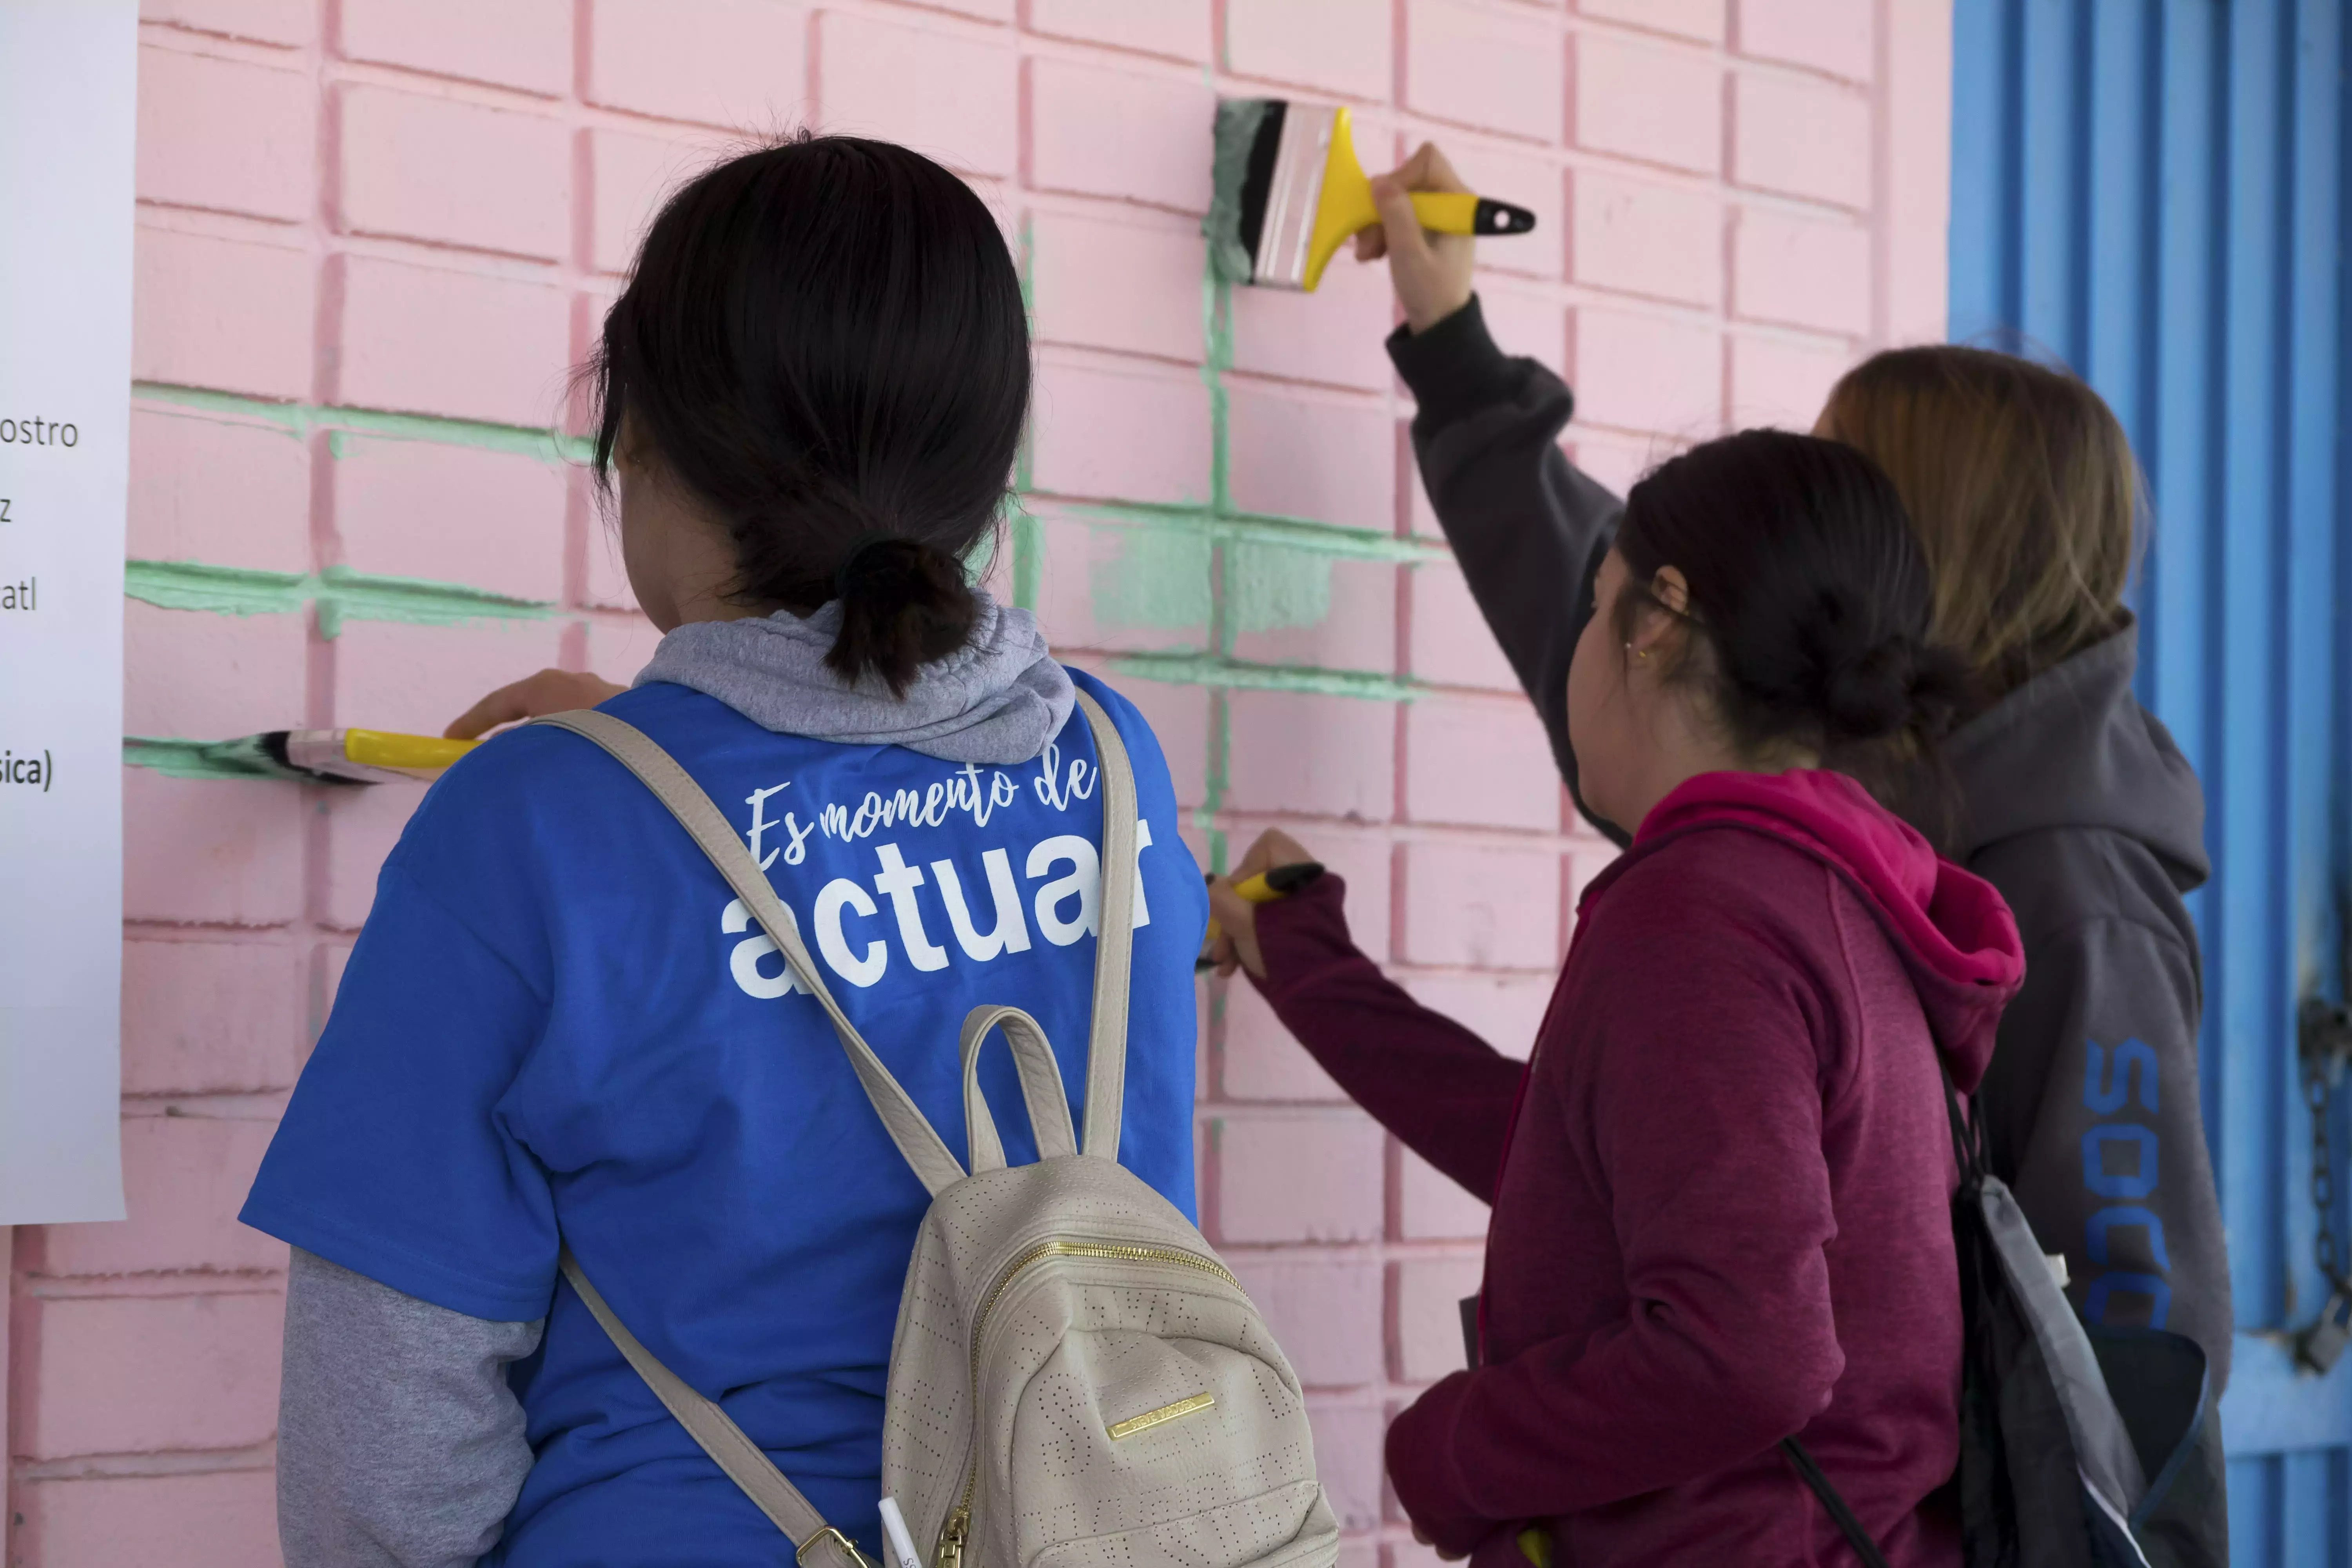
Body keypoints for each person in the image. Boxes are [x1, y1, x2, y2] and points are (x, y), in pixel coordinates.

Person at [240, 136, 1206, 1568]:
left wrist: (622, 779)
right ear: (984, 464)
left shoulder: (533, 835)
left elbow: (385, 1432)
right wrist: (649, 754)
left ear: (638, 434)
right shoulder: (1111, 767)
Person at [1359, 144, 2231, 1396]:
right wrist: (1451, 347)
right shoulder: (1830, 784)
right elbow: (1612, 606)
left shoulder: (2074, 880)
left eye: (1835, 476)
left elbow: (2146, 1328)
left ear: (1923, 536)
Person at [1209, 429, 2022, 1563]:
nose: (1584, 644)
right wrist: (1309, 965)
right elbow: (1584, 1167)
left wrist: (1455, 1448)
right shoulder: (1833, 893)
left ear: (1656, 619)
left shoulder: (1710, 917)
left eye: (1598, 607)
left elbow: (1750, 1351)